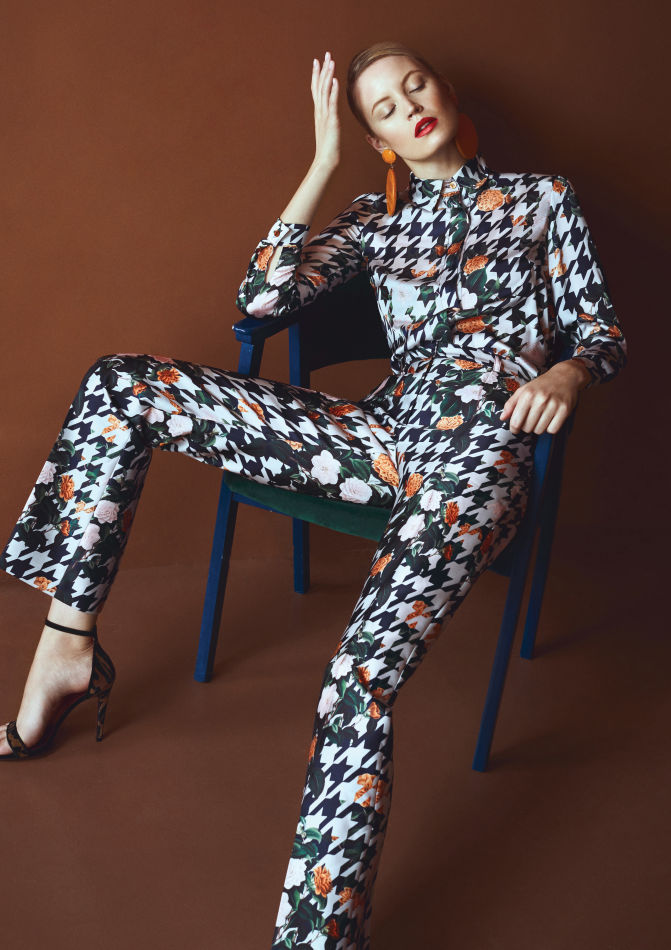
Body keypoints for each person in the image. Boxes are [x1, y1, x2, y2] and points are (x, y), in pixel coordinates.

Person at [0, 38, 627, 949]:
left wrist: (565, 373)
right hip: (379, 435)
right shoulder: (374, 219)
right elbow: (260, 300)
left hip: (479, 450)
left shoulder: (542, 200)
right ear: (377, 140)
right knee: (122, 384)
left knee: (355, 682)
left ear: (445, 92)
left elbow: (600, 329)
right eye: (382, 108)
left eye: (415, 84)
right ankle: (67, 642)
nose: (408, 105)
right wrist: (323, 162)